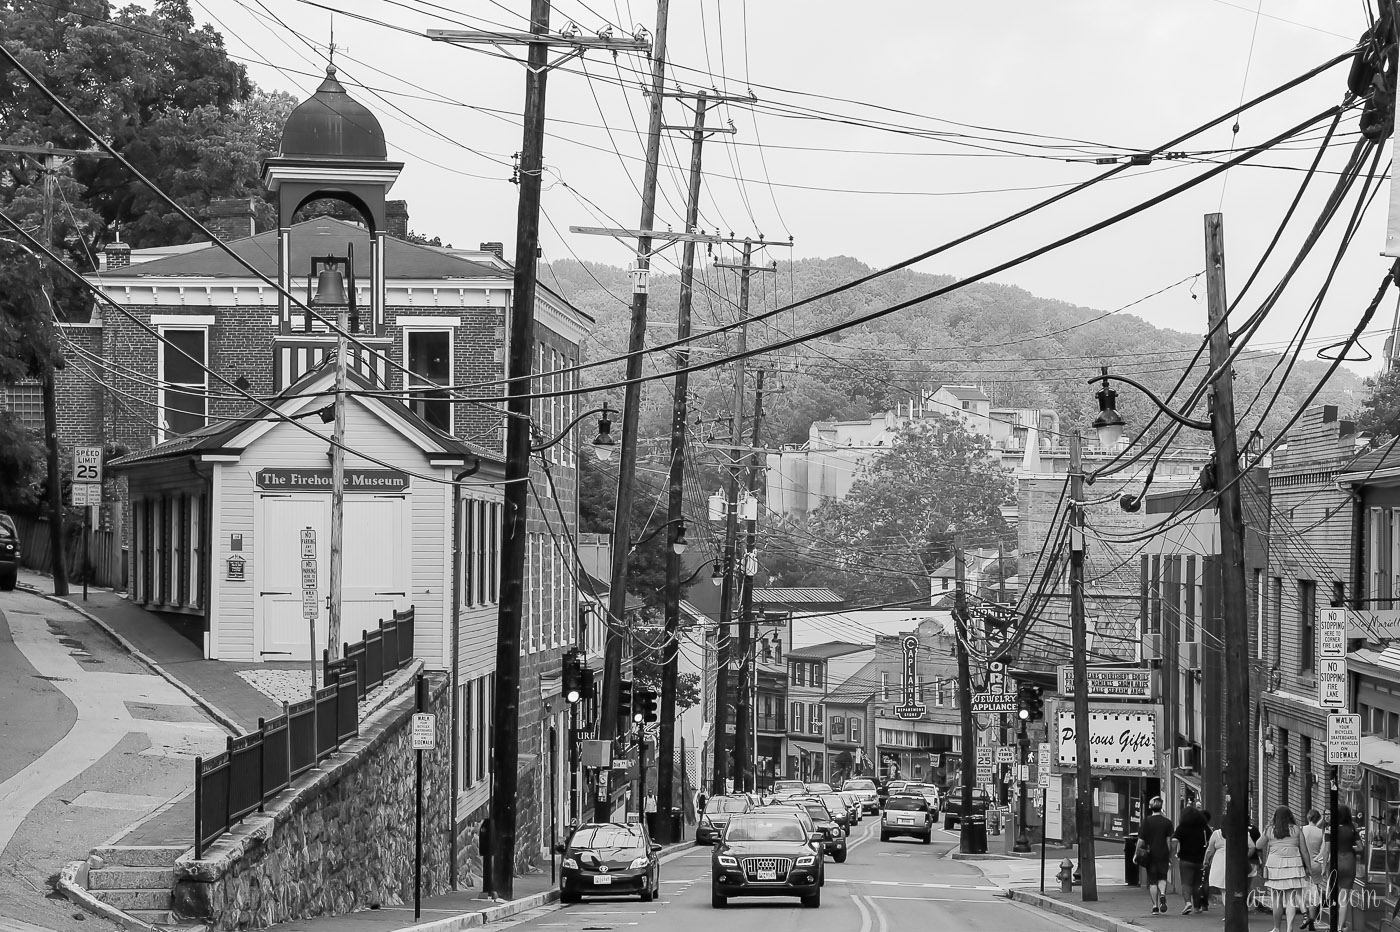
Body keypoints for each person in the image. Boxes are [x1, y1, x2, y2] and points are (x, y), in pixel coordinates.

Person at [1257, 805, 1313, 932]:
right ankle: (1289, 928)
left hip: (1275, 867)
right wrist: (1308, 867)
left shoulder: (1270, 830)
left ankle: (1277, 927)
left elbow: (1258, 844)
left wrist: (1267, 834)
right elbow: (1304, 850)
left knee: (1276, 899)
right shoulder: (1296, 830)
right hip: (1293, 866)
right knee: (1291, 899)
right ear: (1290, 816)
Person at [1138, 796, 1175, 915]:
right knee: (1162, 877)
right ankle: (1163, 894)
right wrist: (1169, 855)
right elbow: (1169, 841)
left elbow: (1140, 841)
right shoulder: (1167, 822)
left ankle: (1155, 906)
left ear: (1150, 807)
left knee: (1152, 881)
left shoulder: (1146, 821)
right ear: (1161, 807)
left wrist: (1136, 853)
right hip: (1163, 853)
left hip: (1150, 854)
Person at [1173, 804, 1211, 915]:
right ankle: (1197, 907)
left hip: (1185, 860)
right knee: (1197, 884)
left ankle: (1187, 902)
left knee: (1186, 883)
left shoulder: (1182, 827)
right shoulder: (1204, 828)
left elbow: (1174, 841)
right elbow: (1211, 841)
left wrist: (1173, 853)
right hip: (1201, 860)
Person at [1333, 805, 1363, 932]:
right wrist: (1351, 849)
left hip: (1337, 861)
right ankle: (1341, 927)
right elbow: (1360, 847)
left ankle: (1334, 924)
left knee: (1334, 894)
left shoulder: (1333, 829)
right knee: (1344, 896)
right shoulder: (1352, 828)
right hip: (1349, 860)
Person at [1300, 809, 1326, 932]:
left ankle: (1305, 915)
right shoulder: (1321, 832)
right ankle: (1312, 919)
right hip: (1316, 864)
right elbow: (1324, 850)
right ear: (1318, 819)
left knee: (1301, 891)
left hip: (1303, 864)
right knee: (1314, 892)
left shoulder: (1302, 830)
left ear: (1308, 817)